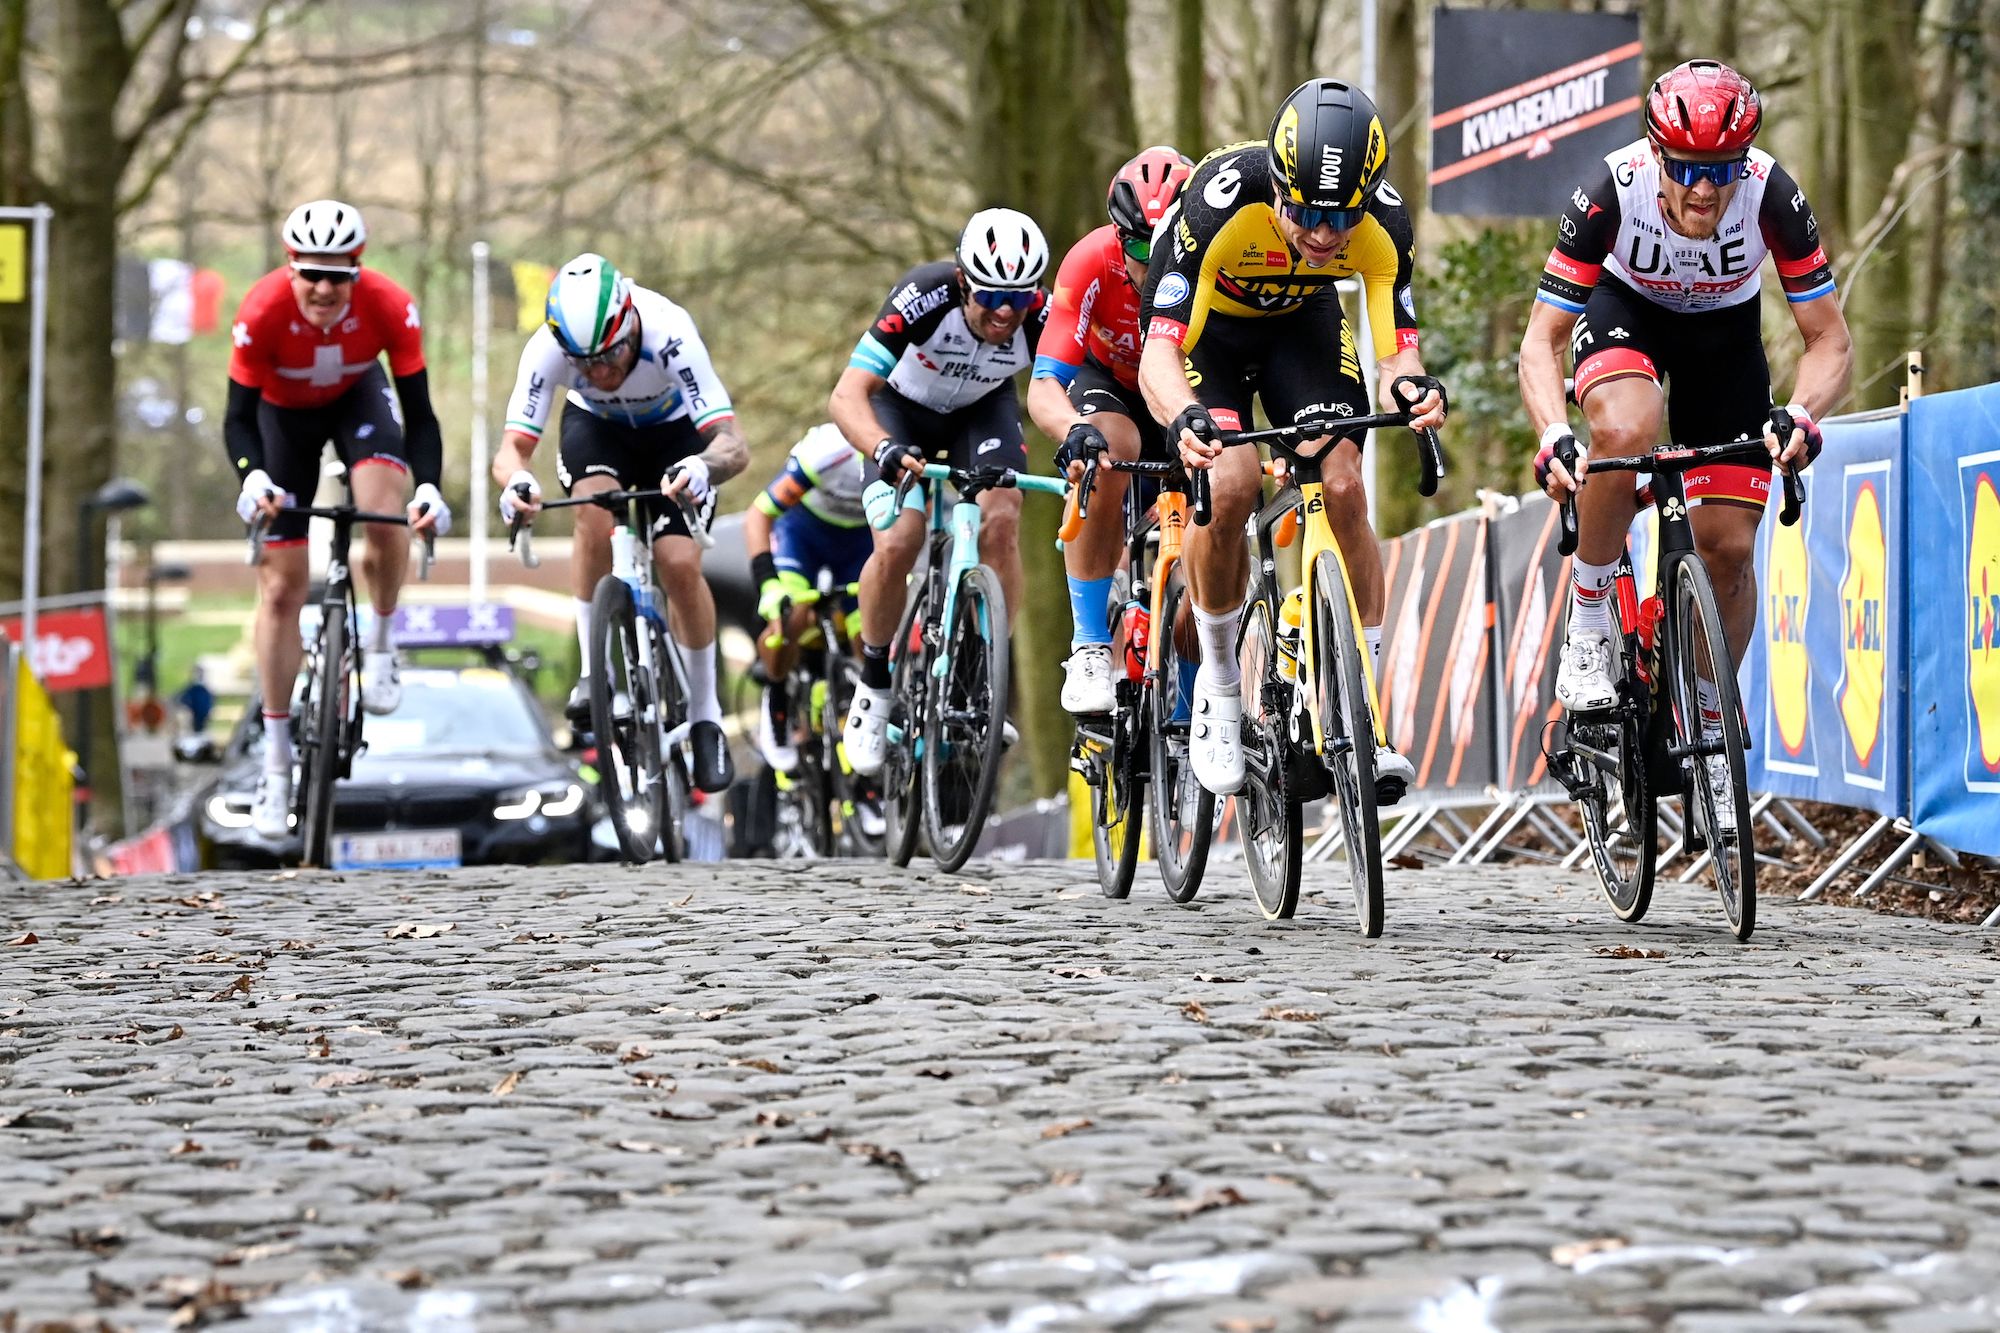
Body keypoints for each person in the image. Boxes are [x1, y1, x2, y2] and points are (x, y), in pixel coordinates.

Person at [1519, 59, 1851, 828]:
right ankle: (1591, 619)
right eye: (1688, 169)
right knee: (1626, 427)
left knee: (1728, 547)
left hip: (1723, 337)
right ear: (1656, 155)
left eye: (1723, 169)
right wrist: (1552, 433)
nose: (1705, 190)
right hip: (1625, 311)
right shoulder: (1611, 190)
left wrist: (1802, 414)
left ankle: (1708, 717)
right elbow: (1541, 341)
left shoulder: (1772, 195)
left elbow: (1830, 339)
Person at [1138, 81, 1448, 803]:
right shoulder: (1218, 203)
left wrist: (1414, 391)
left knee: (1343, 482)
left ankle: (1363, 714)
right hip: (1208, 336)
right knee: (1233, 482)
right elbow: (1157, 357)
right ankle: (1219, 687)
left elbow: (1398, 353)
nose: (1322, 235)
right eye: (1305, 212)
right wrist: (1184, 415)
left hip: (1300, 326)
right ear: (1276, 186)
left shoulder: (1386, 226)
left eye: (1341, 218)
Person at [226, 199, 450, 839]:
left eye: (338, 276)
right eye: (311, 274)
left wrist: (429, 487)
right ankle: (276, 765)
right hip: (281, 419)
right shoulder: (261, 311)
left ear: (358, 271)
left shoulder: (390, 305)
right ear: (290, 268)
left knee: (384, 512)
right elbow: (236, 419)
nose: (324, 289)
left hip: (358, 399)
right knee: (280, 589)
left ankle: (380, 643)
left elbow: (421, 416)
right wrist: (252, 476)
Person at [492, 253, 748, 795]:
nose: (601, 372)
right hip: (598, 430)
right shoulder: (545, 350)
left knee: (678, 562)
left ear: (630, 322)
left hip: (676, 434)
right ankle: (595, 673)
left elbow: (732, 443)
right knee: (591, 511)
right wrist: (517, 482)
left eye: (611, 354)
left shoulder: (670, 332)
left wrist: (704, 467)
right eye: (584, 363)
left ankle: (705, 716)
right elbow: (512, 449)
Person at [834, 208, 1051, 776]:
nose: (1005, 312)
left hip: (980, 411)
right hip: (900, 411)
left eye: (1019, 298)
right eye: (991, 296)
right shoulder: (923, 296)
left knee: (1002, 517)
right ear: (961, 281)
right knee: (899, 539)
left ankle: (983, 676)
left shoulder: (1040, 315)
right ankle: (874, 684)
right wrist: (881, 446)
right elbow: (846, 395)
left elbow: (1076, 387)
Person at [1028, 146, 1195, 715]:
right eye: (1140, 248)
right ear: (1120, 237)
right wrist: (1074, 429)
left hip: (1182, 390)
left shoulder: (1214, 262)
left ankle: (1201, 691)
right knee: (1110, 450)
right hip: (1112, 387)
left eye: (1168, 246)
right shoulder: (1091, 261)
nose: (1154, 264)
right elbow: (1044, 384)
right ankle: (1090, 645)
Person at [745, 421, 870, 773]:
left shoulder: (910, 446)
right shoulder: (828, 451)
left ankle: (868, 713)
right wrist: (768, 584)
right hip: (803, 535)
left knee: (870, 637)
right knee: (792, 617)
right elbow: (758, 515)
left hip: (862, 541)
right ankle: (776, 695)